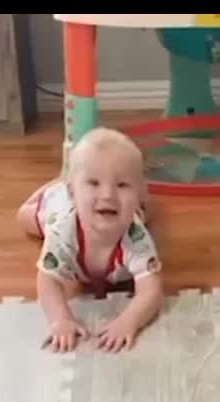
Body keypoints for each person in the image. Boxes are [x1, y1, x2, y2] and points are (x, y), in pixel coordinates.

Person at [17, 127, 164, 353]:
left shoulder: (136, 236)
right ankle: (56, 184)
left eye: (122, 185)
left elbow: (151, 290)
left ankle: (132, 198)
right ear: (73, 192)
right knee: (24, 217)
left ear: (139, 192)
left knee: (142, 216)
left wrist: (129, 321)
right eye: (94, 183)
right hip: (56, 208)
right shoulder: (62, 232)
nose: (107, 194)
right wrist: (60, 320)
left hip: (122, 207)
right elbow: (47, 280)